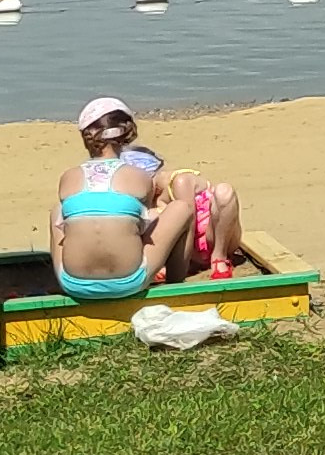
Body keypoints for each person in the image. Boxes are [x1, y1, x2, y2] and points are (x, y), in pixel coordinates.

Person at [49, 97, 244, 306]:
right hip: (128, 282)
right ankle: (175, 282)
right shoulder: (139, 178)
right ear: (126, 135)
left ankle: (67, 272)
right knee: (181, 208)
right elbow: (141, 228)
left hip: (73, 284)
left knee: (58, 211)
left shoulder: (68, 178)